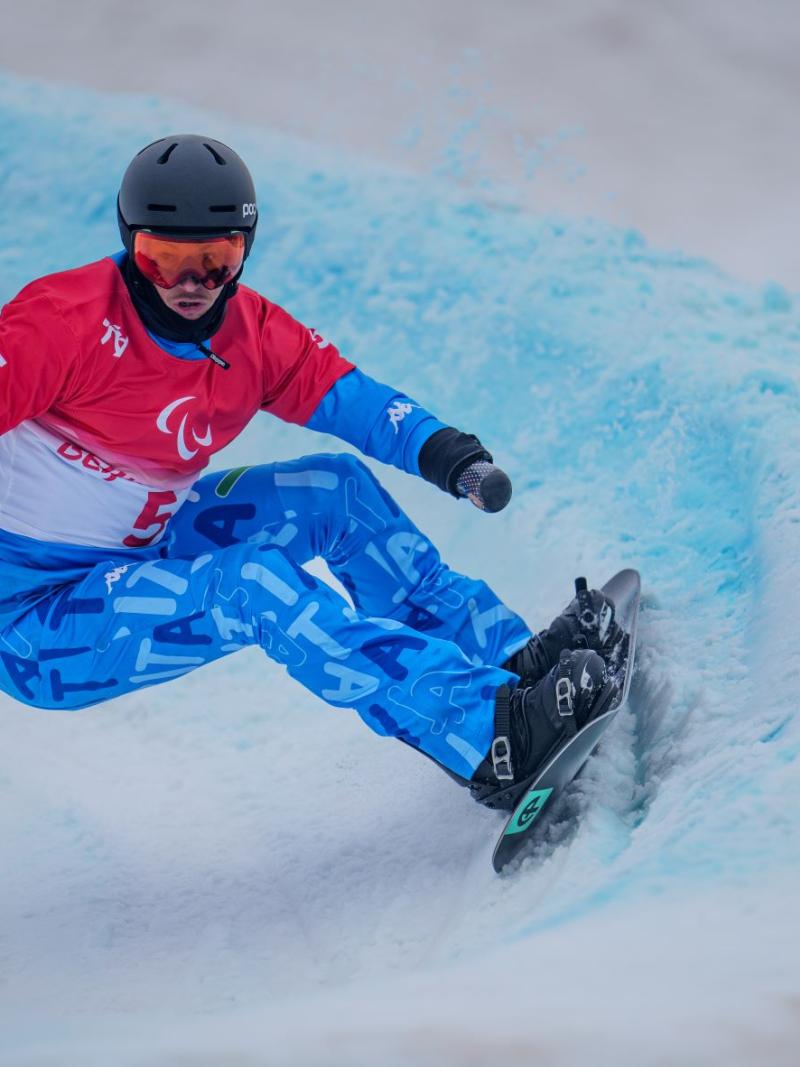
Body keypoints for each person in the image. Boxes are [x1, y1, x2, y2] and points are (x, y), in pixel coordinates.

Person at [0, 134, 621, 811]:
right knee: (250, 586)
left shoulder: (250, 334)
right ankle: (489, 735)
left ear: (245, 247)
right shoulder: (64, 322)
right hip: (37, 622)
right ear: (129, 244)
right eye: (162, 259)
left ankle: (508, 662)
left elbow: (354, 399)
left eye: (213, 261)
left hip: (140, 546)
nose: (187, 284)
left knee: (334, 491)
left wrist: (451, 455)